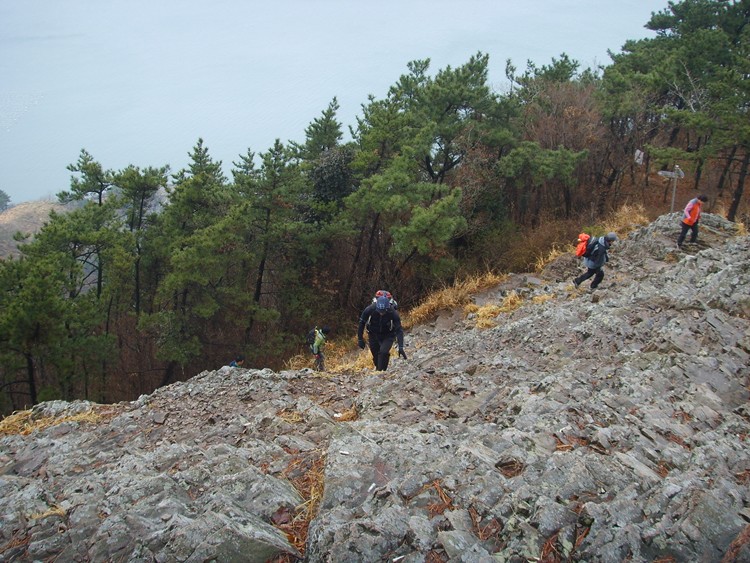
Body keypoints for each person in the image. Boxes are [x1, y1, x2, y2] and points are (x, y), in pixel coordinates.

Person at [357, 295, 406, 371]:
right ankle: (379, 370)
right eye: (379, 311)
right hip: (373, 333)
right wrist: (360, 339)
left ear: (387, 308)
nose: (381, 313)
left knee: (383, 352)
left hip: (388, 334)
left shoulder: (392, 312)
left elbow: (399, 329)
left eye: (383, 312)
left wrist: (401, 347)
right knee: (376, 355)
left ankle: (381, 372)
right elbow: (361, 323)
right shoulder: (370, 309)